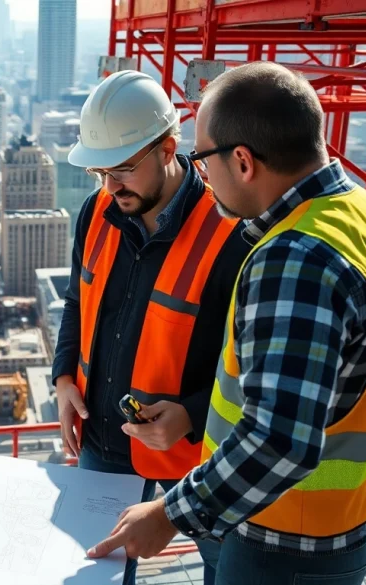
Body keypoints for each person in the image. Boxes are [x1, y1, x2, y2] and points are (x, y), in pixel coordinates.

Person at [88, 61, 366, 585]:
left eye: (202, 156)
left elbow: (279, 440)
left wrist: (171, 514)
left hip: (284, 541)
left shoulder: (296, 258)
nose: (201, 174)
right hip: (353, 521)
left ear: (242, 161)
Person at [54, 70, 251, 585]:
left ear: (167, 148)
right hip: (103, 438)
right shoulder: (96, 212)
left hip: (197, 457)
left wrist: (190, 414)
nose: (110, 185)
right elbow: (78, 299)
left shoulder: (232, 236)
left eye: (122, 169)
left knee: (222, 571)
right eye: (100, 172)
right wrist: (61, 380)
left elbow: (250, 365)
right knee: (94, 572)